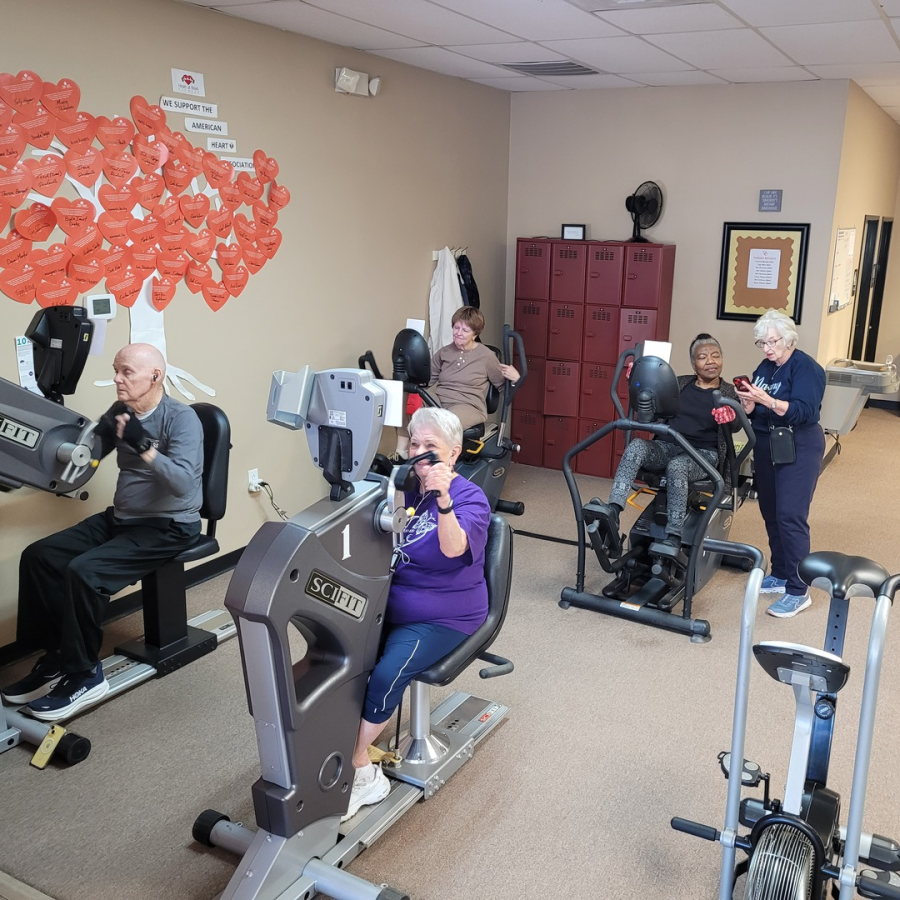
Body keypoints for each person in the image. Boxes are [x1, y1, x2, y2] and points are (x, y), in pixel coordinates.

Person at [1, 344, 204, 720]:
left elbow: (183, 484)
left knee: (85, 572)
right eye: (116, 370)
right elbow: (86, 460)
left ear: (154, 377)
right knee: (40, 557)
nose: (117, 379)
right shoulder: (121, 413)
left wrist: (143, 446)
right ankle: (57, 658)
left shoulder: (182, 419)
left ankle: (85, 675)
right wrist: (27, 468)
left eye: (127, 372)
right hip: (122, 518)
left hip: (170, 526)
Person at [345, 406, 491, 821]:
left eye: (431, 446)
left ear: (454, 453)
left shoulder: (470, 497)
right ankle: (333, 741)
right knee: (341, 655)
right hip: (390, 600)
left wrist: (443, 499)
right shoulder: (408, 487)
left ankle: (360, 769)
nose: (420, 452)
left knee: (387, 674)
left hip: (445, 615)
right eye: (415, 444)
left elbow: (453, 547)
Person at [595, 334, 739, 552]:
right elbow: (650, 403)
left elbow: (736, 425)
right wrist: (638, 379)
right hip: (668, 446)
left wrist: (730, 415)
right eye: (703, 357)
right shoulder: (678, 384)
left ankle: (674, 535)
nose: (711, 361)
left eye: (715, 355)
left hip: (702, 455)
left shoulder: (729, 393)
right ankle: (613, 510)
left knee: (677, 466)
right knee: (637, 446)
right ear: (694, 364)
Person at [734, 309, 825, 618]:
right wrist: (749, 404)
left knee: (790, 515)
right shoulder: (765, 367)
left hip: (799, 444)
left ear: (788, 339)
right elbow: (756, 412)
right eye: (762, 343)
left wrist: (768, 401)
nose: (767, 348)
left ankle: (799, 590)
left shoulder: (806, 368)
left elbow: (804, 412)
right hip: (767, 444)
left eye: (772, 342)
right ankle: (782, 572)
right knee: (771, 511)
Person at [394, 307, 519, 459]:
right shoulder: (444, 352)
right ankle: (401, 453)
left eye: (465, 330)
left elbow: (504, 388)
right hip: (439, 401)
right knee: (408, 398)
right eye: (456, 327)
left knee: (443, 421)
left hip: (468, 406)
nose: (458, 333)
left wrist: (515, 379)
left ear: (475, 334)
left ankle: (435, 461)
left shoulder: (487, 356)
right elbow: (425, 381)